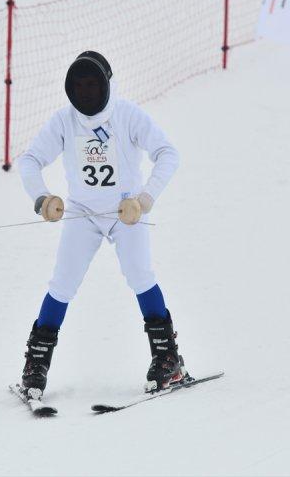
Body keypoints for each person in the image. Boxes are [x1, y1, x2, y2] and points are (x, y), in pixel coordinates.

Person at [17, 51, 185, 397]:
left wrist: (144, 199)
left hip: (127, 212)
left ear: (107, 84)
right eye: (78, 86)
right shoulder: (64, 121)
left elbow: (168, 153)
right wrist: (42, 198)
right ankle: (36, 364)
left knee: (140, 275)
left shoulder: (127, 115)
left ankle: (168, 358)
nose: (86, 92)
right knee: (63, 282)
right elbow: (30, 160)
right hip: (83, 213)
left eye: (93, 84)